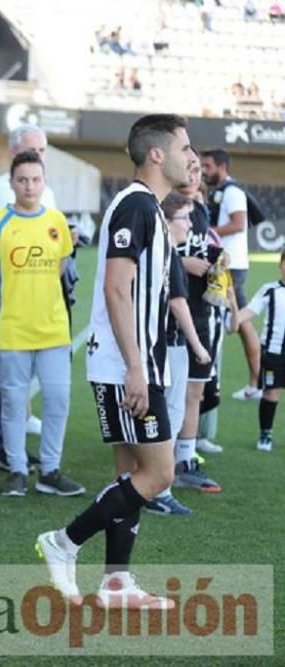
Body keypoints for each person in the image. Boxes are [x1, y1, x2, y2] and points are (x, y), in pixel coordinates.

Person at [37, 114, 192, 610]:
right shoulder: (137, 207)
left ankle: (116, 582)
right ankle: (63, 541)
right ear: (157, 154)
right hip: (125, 366)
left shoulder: (148, 208)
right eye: (184, 147)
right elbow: (114, 290)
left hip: (132, 363)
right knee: (160, 474)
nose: (192, 156)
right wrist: (136, 367)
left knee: (130, 474)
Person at [0, 150, 84, 498]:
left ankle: (49, 470)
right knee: (12, 401)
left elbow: (62, 267)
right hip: (11, 328)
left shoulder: (56, 222)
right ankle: (17, 470)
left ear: (44, 182)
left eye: (36, 179)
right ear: (12, 183)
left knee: (58, 399)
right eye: (22, 180)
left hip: (53, 329)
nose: (29, 186)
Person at [0, 125, 57, 462]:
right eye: (32, 150)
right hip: (3, 299)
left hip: (38, 299)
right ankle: (1, 443)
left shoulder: (46, 192)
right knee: (7, 373)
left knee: (21, 375)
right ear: (13, 153)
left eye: (43, 151)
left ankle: (9, 444)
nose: (38, 157)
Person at [150, 192, 214, 515]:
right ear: (167, 221)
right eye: (184, 218)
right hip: (171, 345)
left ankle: (150, 483)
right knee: (169, 416)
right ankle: (158, 490)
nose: (190, 224)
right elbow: (178, 303)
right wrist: (199, 346)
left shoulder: (160, 252)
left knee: (163, 414)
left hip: (159, 345)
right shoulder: (171, 256)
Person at [201, 148, 262, 401]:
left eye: (208, 166)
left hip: (232, 266)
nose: (204, 171)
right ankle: (256, 382)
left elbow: (238, 224)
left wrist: (208, 233)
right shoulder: (219, 191)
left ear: (222, 167)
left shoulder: (233, 191)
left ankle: (256, 382)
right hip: (225, 264)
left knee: (242, 321)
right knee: (238, 321)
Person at [232, 250, 285, 451]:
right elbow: (249, 311)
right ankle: (266, 435)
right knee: (271, 393)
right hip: (273, 352)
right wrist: (234, 318)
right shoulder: (269, 290)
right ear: (280, 265)